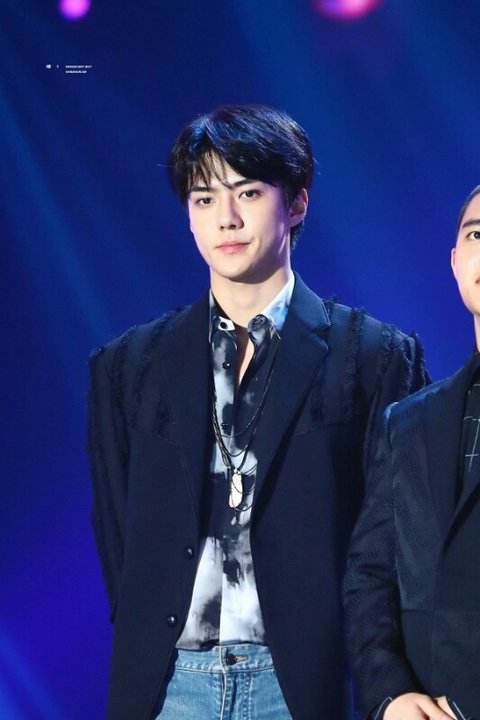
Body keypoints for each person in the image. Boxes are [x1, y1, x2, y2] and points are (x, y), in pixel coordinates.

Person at [87, 104, 428, 720]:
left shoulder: (374, 358)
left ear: (295, 204)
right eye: (204, 199)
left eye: (247, 192)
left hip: (304, 683)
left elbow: (395, 540)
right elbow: (119, 538)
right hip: (169, 686)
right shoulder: (128, 366)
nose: (227, 217)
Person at [344, 185, 480, 720]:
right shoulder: (410, 421)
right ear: (455, 261)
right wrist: (392, 695)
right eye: (477, 234)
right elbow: (369, 576)